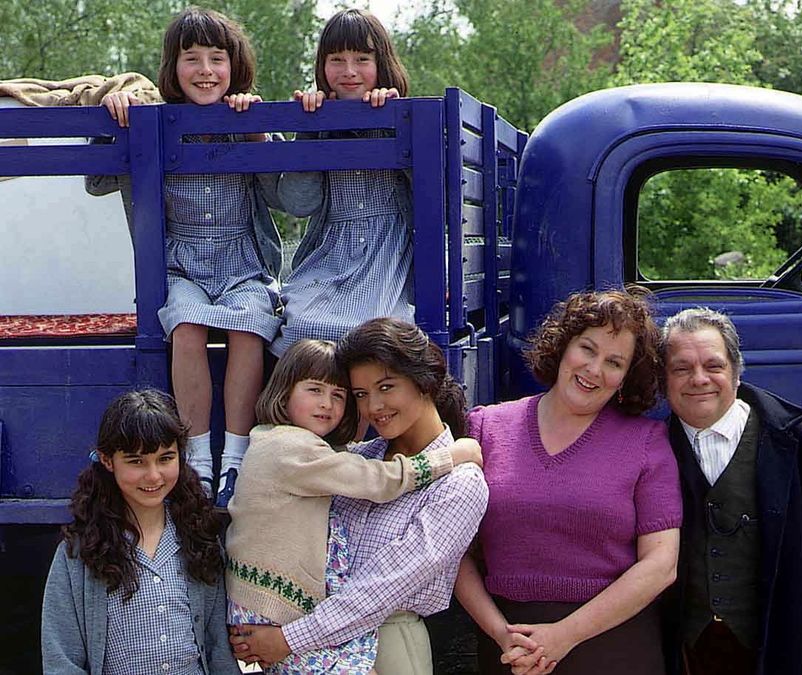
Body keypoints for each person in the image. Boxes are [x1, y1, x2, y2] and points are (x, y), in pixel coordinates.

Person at [89, 7, 285, 508]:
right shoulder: (155, 119)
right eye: (191, 58)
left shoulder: (244, 116)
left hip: (241, 258)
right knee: (187, 326)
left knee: (249, 326)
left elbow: (287, 195)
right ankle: (197, 458)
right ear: (171, 68)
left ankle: (235, 459)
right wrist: (115, 118)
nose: (205, 70)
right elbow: (97, 180)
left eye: (216, 58)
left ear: (234, 64)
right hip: (180, 261)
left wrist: (258, 131)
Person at [229, 318, 488, 675]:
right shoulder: (356, 458)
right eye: (362, 395)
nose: (373, 407)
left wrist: (288, 640)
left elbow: (379, 590)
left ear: (424, 382)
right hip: (302, 643)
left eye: (386, 387)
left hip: (384, 643)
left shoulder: (461, 483)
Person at [455, 288, 683, 675]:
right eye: (587, 349)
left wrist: (564, 635)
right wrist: (499, 633)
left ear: (627, 377)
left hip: (614, 648)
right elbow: (453, 548)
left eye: (614, 362)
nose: (594, 369)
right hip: (511, 648)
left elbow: (661, 564)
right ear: (563, 345)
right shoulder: (486, 428)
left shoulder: (647, 442)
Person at [659, 308, 802, 675]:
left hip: (780, 652)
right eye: (681, 368)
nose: (699, 379)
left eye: (714, 366)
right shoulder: (649, 454)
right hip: (688, 655)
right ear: (663, 380)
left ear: (737, 373)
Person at [41, 389, 238, 674]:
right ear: (108, 460)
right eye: (136, 461)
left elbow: (219, 647)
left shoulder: (198, 538)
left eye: (165, 458)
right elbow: (61, 659)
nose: (154, 475)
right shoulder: (79, 554)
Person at [270, 8, 416, 358]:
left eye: (362, 59)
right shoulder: (318, 120)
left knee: (373, 331)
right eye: (337, 59)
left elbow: (431, 197)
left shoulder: (404, 115)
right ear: (322, 66)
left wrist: (395, 124)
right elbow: (299, 203)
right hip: (330, 258)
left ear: (381, 63)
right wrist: (307, 131)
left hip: (386, 259)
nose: (349, 71)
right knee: (302, 325)